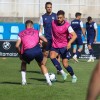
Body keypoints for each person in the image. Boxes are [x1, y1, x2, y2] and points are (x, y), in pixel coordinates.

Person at [15, 20, 52, 86]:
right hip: (37, 50)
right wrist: (44, 48)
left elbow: (17, 46)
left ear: (25, 26)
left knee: (23, 62)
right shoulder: (37, 32)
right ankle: (49, 81)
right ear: (32, 26)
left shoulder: (21, 33)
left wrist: (20, 54)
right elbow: (46, 40)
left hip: (27, 52)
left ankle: (23, 81)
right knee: (41, 64)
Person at [50, 10, 77, 83]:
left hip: (64, 46)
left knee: (65, 64)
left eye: (60, 18)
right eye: (58, 17)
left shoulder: (67, 25)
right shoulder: (53, 22)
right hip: (55, 45)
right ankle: (63, 73)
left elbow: (75, 35)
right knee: (52, 56)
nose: (58, 19)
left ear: (64, 17)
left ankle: (73, 76)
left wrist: (69, 43)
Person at [39, 2, 62, 74]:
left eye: (50, 7)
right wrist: (40, 38)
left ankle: (58, 69)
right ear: (45, 8)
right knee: (45, 54)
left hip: (56, 38)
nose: (49, 8)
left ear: (51, 8)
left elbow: (60, 26)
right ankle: (43, 68)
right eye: (48, 7)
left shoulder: (55, 16)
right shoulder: (42, 17)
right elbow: (41, 28)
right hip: (47, 38)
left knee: (57, 54)